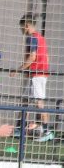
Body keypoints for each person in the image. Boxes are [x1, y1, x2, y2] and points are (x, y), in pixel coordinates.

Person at [10, 13, 53, 142]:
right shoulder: (41, 38)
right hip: (38, 73)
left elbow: (32, 57)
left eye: (22, 28)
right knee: (26, 100)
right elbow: (47, 57)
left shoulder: (32, 38)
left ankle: (47, 130)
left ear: (27, 26)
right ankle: (21, 127)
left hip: (37, 74)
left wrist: (17, 70)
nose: (21, 31)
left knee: (39, 102)